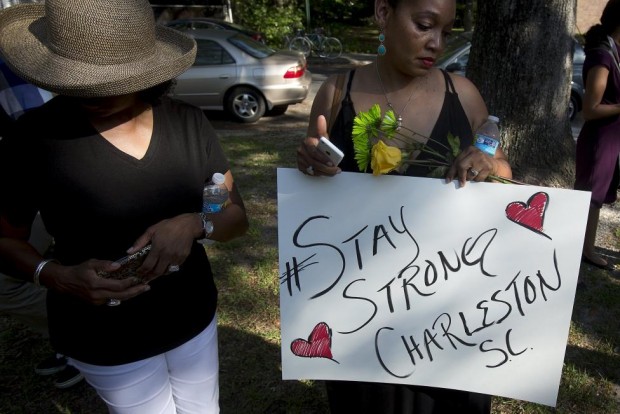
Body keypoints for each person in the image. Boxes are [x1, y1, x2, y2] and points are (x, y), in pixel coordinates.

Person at [0, 0, 249, 412]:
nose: (92, 94)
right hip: (102, 334)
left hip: (191, 315)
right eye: (77, 80)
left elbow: (232, 214)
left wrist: (196, 223)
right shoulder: (33, 138)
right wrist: (55, 275)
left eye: (110, 80)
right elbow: (5, 240)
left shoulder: (188, 122)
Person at [296, 0, 512, 413]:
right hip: (362, 316)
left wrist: (489, 163)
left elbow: (502, 169)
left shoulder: (462, 95)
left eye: (445, 32)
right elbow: (315, 172)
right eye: (424, 25)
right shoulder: (336, 92)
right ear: (382, 13)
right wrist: (309, 161)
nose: (435, 43)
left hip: (446, 314)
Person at [0, 56, 83, 389]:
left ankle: (85, 334)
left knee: (6, 283)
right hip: (33, 189)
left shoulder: (7, 68)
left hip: (46, 190)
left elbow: (40, 136)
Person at [574, 0, 620, 271]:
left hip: (612, 139)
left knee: (598, 196)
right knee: (589, 198)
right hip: (600, 139)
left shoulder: (615, 51)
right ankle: (584, 250)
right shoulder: (602, 56)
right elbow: (590, 109)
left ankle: (584, 248)